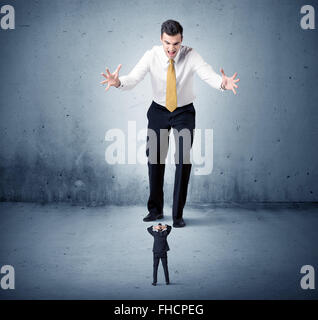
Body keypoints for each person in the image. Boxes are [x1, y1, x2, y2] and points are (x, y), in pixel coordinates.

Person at [100, 20, 239, 228]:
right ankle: (155, 211)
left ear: (181, 40)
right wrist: (118, 82)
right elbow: (134, 78)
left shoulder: (191, 55)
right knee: (155, 159)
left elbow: (207, 73)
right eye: (167, 43)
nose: (171, 49)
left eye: (175, 43)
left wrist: (222, 83)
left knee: (183, 160)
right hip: (158, 110)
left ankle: (177, 215)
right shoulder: (151, 55)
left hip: (183, 111)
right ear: (161, 39)